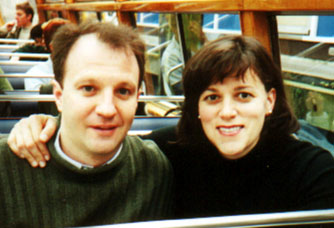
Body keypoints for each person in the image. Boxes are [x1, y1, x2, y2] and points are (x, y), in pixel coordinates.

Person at [8, 35, 334, 219]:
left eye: (244, 95)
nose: (228, 112)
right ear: (196, 108)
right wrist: (44, 125)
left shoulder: (316, 172)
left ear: (269, 100)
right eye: (211, 98)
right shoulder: (171, 153)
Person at [1, 22, 172, 227]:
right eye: (89, 88)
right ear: (59, 96)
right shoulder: (6, 166)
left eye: (123, 91)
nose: (107, 109)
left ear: (137, 99)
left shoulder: (154, 167)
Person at [24, 18, 69, 90]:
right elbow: (36, 98)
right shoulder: (35, 75)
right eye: (67, 44)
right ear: (52, 47)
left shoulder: (83, 70)